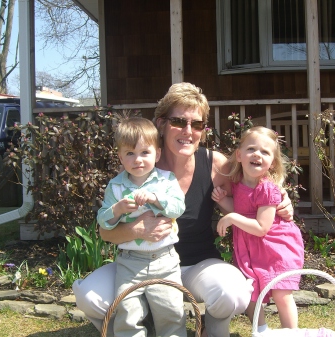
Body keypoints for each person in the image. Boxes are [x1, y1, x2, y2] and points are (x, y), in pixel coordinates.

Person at [72, 82, 294, 337]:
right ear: (161, 123)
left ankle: (211, 330)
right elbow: (105, 233)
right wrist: (136, 229)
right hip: (137, 262)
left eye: (197, 124)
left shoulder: (215, 164)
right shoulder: (138, 167)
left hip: (197, 265)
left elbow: (254, 189)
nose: (188, 131)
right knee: (90, 297)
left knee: (232, 292)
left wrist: (281, 199)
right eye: (179, 121)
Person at [97, 117, 186, 337]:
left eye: (145, 153)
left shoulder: (166, 180)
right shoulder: (116, 186)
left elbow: (178, 208)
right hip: (129, 261)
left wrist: (156, 199)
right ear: (120, 157)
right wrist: (117, 210)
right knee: (127, 311)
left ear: (157, 154)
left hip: (165, 260)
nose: (138, 160)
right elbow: (103, 220)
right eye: (130, 153)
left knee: (171, 310)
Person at [212, 126, 304, 334]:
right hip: (250, 247)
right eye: (251, 149)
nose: (257, 155)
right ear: (239, 155)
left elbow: (262, 227)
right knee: (251, 293)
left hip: (277, 247)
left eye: (265, 152)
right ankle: (261, 331)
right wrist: (222, 201)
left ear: (272, 162)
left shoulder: (267, 188)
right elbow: (241, 210)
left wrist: (232, 217)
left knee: (281, 293)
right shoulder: (237, 185)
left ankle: (291, 333)